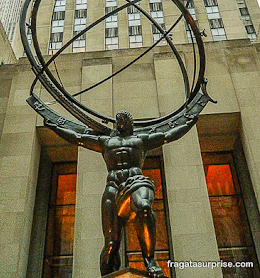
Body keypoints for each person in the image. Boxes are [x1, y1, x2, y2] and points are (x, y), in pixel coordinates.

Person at [45, 110, 194, 278]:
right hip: (113, 188)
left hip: (135, 182)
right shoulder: (106, 141)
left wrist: (190, 121)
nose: (121, 122)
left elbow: (168, 135)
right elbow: (78, 138)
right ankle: (107, 273)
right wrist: (54, 126)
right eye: (119, 120)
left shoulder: (141, 140)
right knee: (111, 243)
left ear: (131, 123)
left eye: (124, 120)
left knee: (144, 207)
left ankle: (150, 261)